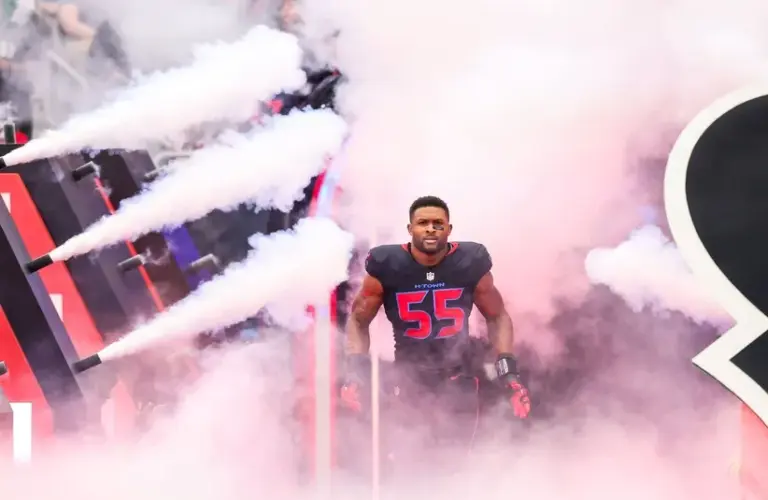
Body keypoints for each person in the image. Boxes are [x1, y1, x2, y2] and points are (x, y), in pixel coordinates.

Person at [340, 196, 531, 458]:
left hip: (458, 378)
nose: (431, 229)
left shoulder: (470, 260)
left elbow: (497, 316)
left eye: (438, 223)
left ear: (449, 229)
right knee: (412, 462)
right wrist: (356, 373)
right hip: (409, 381)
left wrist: (509, 373)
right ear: (410, 229)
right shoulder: (388, 263)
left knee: (455, 464)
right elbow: (359, 320)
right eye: (423, 223)